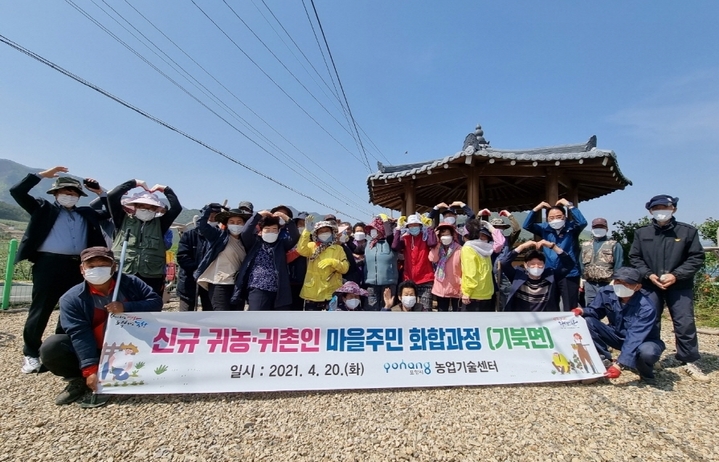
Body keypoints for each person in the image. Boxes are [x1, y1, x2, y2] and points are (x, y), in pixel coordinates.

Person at [10, 166, 108, 374]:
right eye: (65, 192)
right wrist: (41, 176)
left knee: (71, 308)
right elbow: (17, 192)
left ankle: (57, 351)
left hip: (77, 266)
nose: (70, 196)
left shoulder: (86, 213)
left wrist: (100, 192)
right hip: (48, 264)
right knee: (41, 308)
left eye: (74, 194)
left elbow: (110, 211)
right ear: (55, 193)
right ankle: (31, 353)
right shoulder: (43, 208)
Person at [38, 247, 162, 405]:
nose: (97, 270)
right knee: (52, 347)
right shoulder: (71, 299)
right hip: (95, 348)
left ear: (114, 267)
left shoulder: (131, 283)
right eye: (91, 266)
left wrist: (127, 307)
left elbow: (155, 302)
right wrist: (90, 368)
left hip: (131, 346)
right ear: (82, 269)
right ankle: (81, 379)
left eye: (103, 265)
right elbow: (80, 334)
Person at [629, 194, 709, 382]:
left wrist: (676, 275)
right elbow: (635, 257)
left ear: (674, 209)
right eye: (657, 208)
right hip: (651, 284)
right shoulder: (642, 233)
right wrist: (648, 274)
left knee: (684, 322)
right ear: (650, 210)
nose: (661, 211)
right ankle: (651, 358)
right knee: (650, 321)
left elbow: (696, 257)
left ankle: (689, 360)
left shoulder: (687, 232)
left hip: (680, 285)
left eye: (665, 207)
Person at [572, 267, 665, 384]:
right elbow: (596, 311)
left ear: (638, 287)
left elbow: (635, 336)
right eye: (618, 282)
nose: (621, 286)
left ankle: (645, 372)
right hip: (616, 336)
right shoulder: (606, 293)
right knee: (588, 321)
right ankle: (604, 359)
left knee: (648, 352)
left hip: (643, 340)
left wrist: (620, 364)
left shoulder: (646, 307)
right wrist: (582, 311)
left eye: (627, 284)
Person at [107, 179, 182, 297]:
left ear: (156, 209)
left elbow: (176, 208)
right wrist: (134, 183)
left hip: (152, 275)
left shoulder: (161, 224)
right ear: (135, 207)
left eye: (151, 207)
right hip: (124, 273)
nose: (146, 210)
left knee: (150, 307)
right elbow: (112, 196)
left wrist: (165, 189)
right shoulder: (121, 219)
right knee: (122, 307)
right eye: (142, 206)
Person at [523, 198, 587, 310]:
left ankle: (570, 327)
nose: (555, 220)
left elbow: (582, 222)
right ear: (547, 219)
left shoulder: (571, 228)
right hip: (550, 272)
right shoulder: (544, 228)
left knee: (570, 305)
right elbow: (526, 225)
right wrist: (537, 208)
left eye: (559, 216)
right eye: (551, 218)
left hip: (569, 273)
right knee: (550, 305)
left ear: (565, 217)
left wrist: (569, 205)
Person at [233, 210, 299, 310]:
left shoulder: (281, 244)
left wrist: (286, 219)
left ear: (278, 231)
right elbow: (246, 232)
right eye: (267, 229)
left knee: (277, 323)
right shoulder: (254, 243)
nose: (271, 232)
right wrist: (258, 215)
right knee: (257, 319)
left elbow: (295, 236)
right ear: (261, 231)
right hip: (258, 288)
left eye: (274, 229)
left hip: (280, 290)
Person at [194, 204, 249, 311]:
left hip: (237, 286)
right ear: (227, 224)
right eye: (232, 222)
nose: (235, 225)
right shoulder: (218, 236)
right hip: (219, 283)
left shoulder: (245, 242)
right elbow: (202, 226)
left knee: (236, 318)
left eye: (239, 222)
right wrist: (207, 209)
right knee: (221, 315)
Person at [500, 240, 574, 312]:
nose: (536, 266)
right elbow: (504, 263)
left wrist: (553, 246)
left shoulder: (551, 276)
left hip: (545, 320)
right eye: (532, 264)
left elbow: (569, 265)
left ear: (544, 265)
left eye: (540, 264)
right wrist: (522, 246)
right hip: (522, 320)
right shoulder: (518, 276)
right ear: (525, 265)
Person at [176, 208, 224, 312]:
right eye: (209, 216)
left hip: (210, 281)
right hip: (188, 281)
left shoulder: (221, 236)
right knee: (185, 314)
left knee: (209, 313)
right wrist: (196, 269)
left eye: (215, 216)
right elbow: (182, 257)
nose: (212, 219)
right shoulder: (189, 235)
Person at [297, 219, 349, 310]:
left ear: (332, 232)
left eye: (326, 231)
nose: (324, 233)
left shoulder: (338, 249)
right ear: (316, 234)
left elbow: (345, 268)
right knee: (313, 323)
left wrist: (334, 262)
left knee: (332, 322)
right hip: (313, 293)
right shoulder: (312, 246)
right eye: (321, 231)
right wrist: (306, 231)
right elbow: (301, 249)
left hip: (332, 292)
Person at [392, 213, 437, 310]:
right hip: (409, 279)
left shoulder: (425, 236)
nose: (413, 227)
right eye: (411, 225)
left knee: (425, 309)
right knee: (408, 308)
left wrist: (429, 228)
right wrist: (398, 228)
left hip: (425, 279)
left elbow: (433, 243)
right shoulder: (405, 238)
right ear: (407, 227)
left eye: (416, 225)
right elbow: (395, 246)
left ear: (420, 226)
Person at [460, 219, 505, 311]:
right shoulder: (486, 246)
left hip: (473, 294)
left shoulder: (468, 248)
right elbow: (500, 243)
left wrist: (467, 292)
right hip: (487, 293)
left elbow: (471, 272)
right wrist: (491, 228)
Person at [580, 218, 623, 306]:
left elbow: (619, 264)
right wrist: (582, 278)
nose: (598, 229)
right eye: (596, 227)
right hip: (590, 284)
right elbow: (580, 262)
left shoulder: (614, 245)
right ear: (592, 229)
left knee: (610, 308)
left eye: (601, 227)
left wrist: (615, 280)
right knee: (590, 308)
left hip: (607, 283)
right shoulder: (585, 245)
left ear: (606, 229)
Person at [363, 216, 398, 311]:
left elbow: (390, 235)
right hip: (371, 284)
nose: (372, 231)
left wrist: (386, 221)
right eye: (371, 229)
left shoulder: (390, 242)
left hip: (388, 284)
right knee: (371, 310)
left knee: (387, 308)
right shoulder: (368, 244)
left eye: (375, 229)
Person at [429, 223, 463, 311]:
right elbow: (432, 258)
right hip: (441, 288)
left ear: (452, 235)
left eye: (447, 235)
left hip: (456, 287)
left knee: (457, 315)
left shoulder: (460, 249)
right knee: (442, 315)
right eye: (443, 235)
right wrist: (436, 244)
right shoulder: (438, 248)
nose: (445, 237)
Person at [493, 211, 522, 311]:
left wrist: (509, 215)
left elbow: (517, 230)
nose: (498, 230)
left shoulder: (508, 240)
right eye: (495, 228)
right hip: (490, 274)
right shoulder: (486, 240)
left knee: (505, 298)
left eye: (500, 228)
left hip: (504, 274)